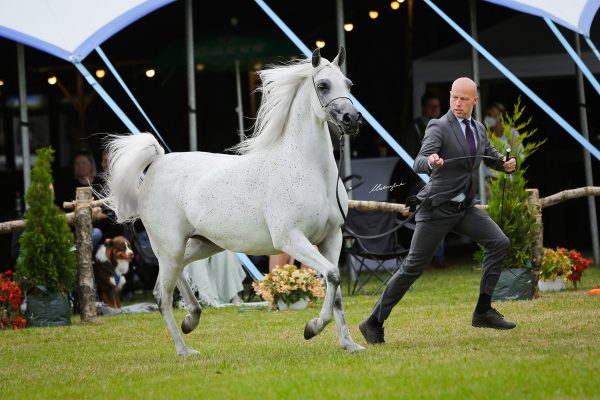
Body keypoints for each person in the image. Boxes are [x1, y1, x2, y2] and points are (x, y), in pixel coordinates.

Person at [359, 77, 518, 344]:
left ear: (474, 101)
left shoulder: (478, 129)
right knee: (413, 267)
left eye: (464, 99)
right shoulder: (438, 126)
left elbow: (491, 156)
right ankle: (373, 322)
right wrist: (431, 161)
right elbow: (418, 161)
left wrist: (505, 164)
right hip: (436, 208)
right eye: (454, 97)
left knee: (499, 242)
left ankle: (483, 311)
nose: (457, 103)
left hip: (464, 207)